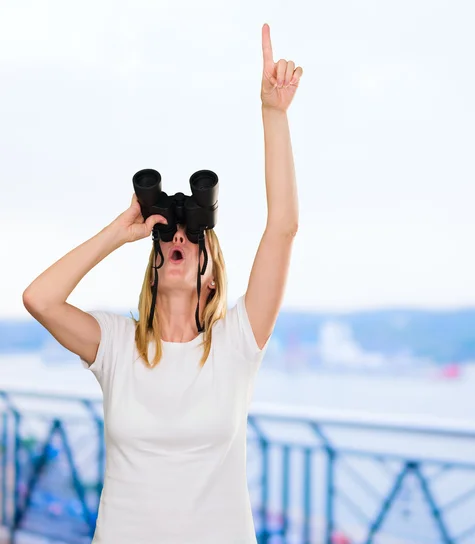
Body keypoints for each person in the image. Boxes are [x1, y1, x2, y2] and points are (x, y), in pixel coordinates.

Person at [22, 23, 302, 544]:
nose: (178, 240)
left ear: (213, 277)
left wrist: (273, 113)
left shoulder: (238, 342)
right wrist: (118, 231)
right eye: (167, 237)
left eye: (194, 237)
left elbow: (282, 227)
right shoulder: (115, 346)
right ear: (152, 266)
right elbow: (39, 298)